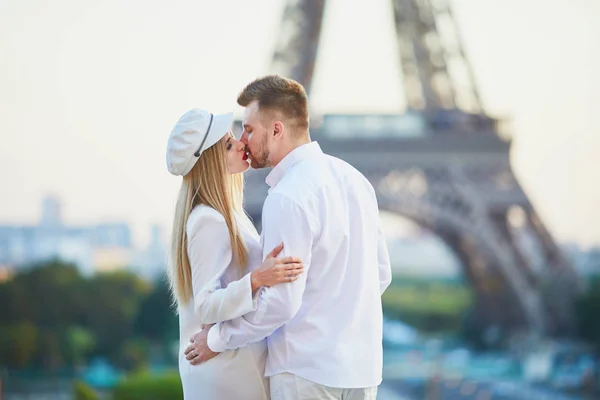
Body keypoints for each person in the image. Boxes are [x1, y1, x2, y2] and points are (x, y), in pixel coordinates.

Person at [184, 75, 393, 400]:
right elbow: (380, 274)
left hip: (304, 373)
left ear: (277, 129)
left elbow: (281, 304)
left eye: (249, 129)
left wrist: (217, 340)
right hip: (363, 373)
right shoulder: (356, 181)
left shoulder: (287, 196)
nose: (243, 140)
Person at [165, 108, 305, 399]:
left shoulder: (227, 214)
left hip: (232, 366)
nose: (242, 143)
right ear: (211, 161)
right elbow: (204, 306)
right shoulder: (209, 220)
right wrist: (256, 279)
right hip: (226, 372)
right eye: (229, 144)